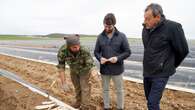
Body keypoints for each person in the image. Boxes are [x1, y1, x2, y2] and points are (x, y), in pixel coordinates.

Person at [142, 3, 189, 110]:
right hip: (147, 71)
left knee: (152, 103)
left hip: (161, 73)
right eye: (144, 18)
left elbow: (183, 50)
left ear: (157, 17)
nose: (145, 22)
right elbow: (148, 49)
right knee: (150, 100)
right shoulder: (145, 28)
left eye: (148, 19)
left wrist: (169, 65)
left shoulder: (173, 28)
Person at [94, 13, 131, 110]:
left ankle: (120, 108)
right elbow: (96, 52)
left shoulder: (122, 36)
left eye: (109, 26)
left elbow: (127, 52)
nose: (106, 28)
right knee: (105, 90)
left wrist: (117, 58)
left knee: (119, 90)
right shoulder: (100, 37)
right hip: (104, 69)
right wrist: (100, 58)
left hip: (117, 69)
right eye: (105, 26)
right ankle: (106, 107)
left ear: (114, 24)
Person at [57, 34, 95, 110]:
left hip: (85, 70)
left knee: (85, 88)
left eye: (78, 46)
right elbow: (61, 67)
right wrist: (63, 83)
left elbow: (90, 64)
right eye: (74, 47)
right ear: (69, 47)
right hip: (74, 70)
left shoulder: (84, 50)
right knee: (77, 87)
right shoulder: (63, 51)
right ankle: (78, 102)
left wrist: (94, 73)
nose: (77, 48)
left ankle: (85, 106)